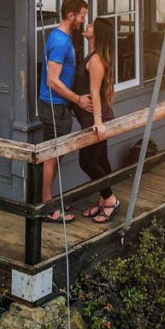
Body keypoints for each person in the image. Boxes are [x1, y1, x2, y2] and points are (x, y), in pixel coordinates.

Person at [39, 0, 92, 223]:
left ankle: (49, 199)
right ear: (71, 16)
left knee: (56, 155)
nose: (83, 21)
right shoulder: (60, 42)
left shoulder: (64, 37)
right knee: (52, 157)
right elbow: (53, 80)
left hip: (59, 106)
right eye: (81, 16)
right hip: (54, 106)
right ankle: (49, 207)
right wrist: (78, 100)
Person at [72, 17, 120, 223]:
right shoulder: (91, 56)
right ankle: (103, 200)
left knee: (87, 161)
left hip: (97, 119)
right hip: (95, 118)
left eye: (91, 25)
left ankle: (110, 199)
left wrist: (98, 121)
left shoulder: (96, 60)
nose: (87, 26)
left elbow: (95, 92)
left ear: (97, 34)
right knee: (101, 160)